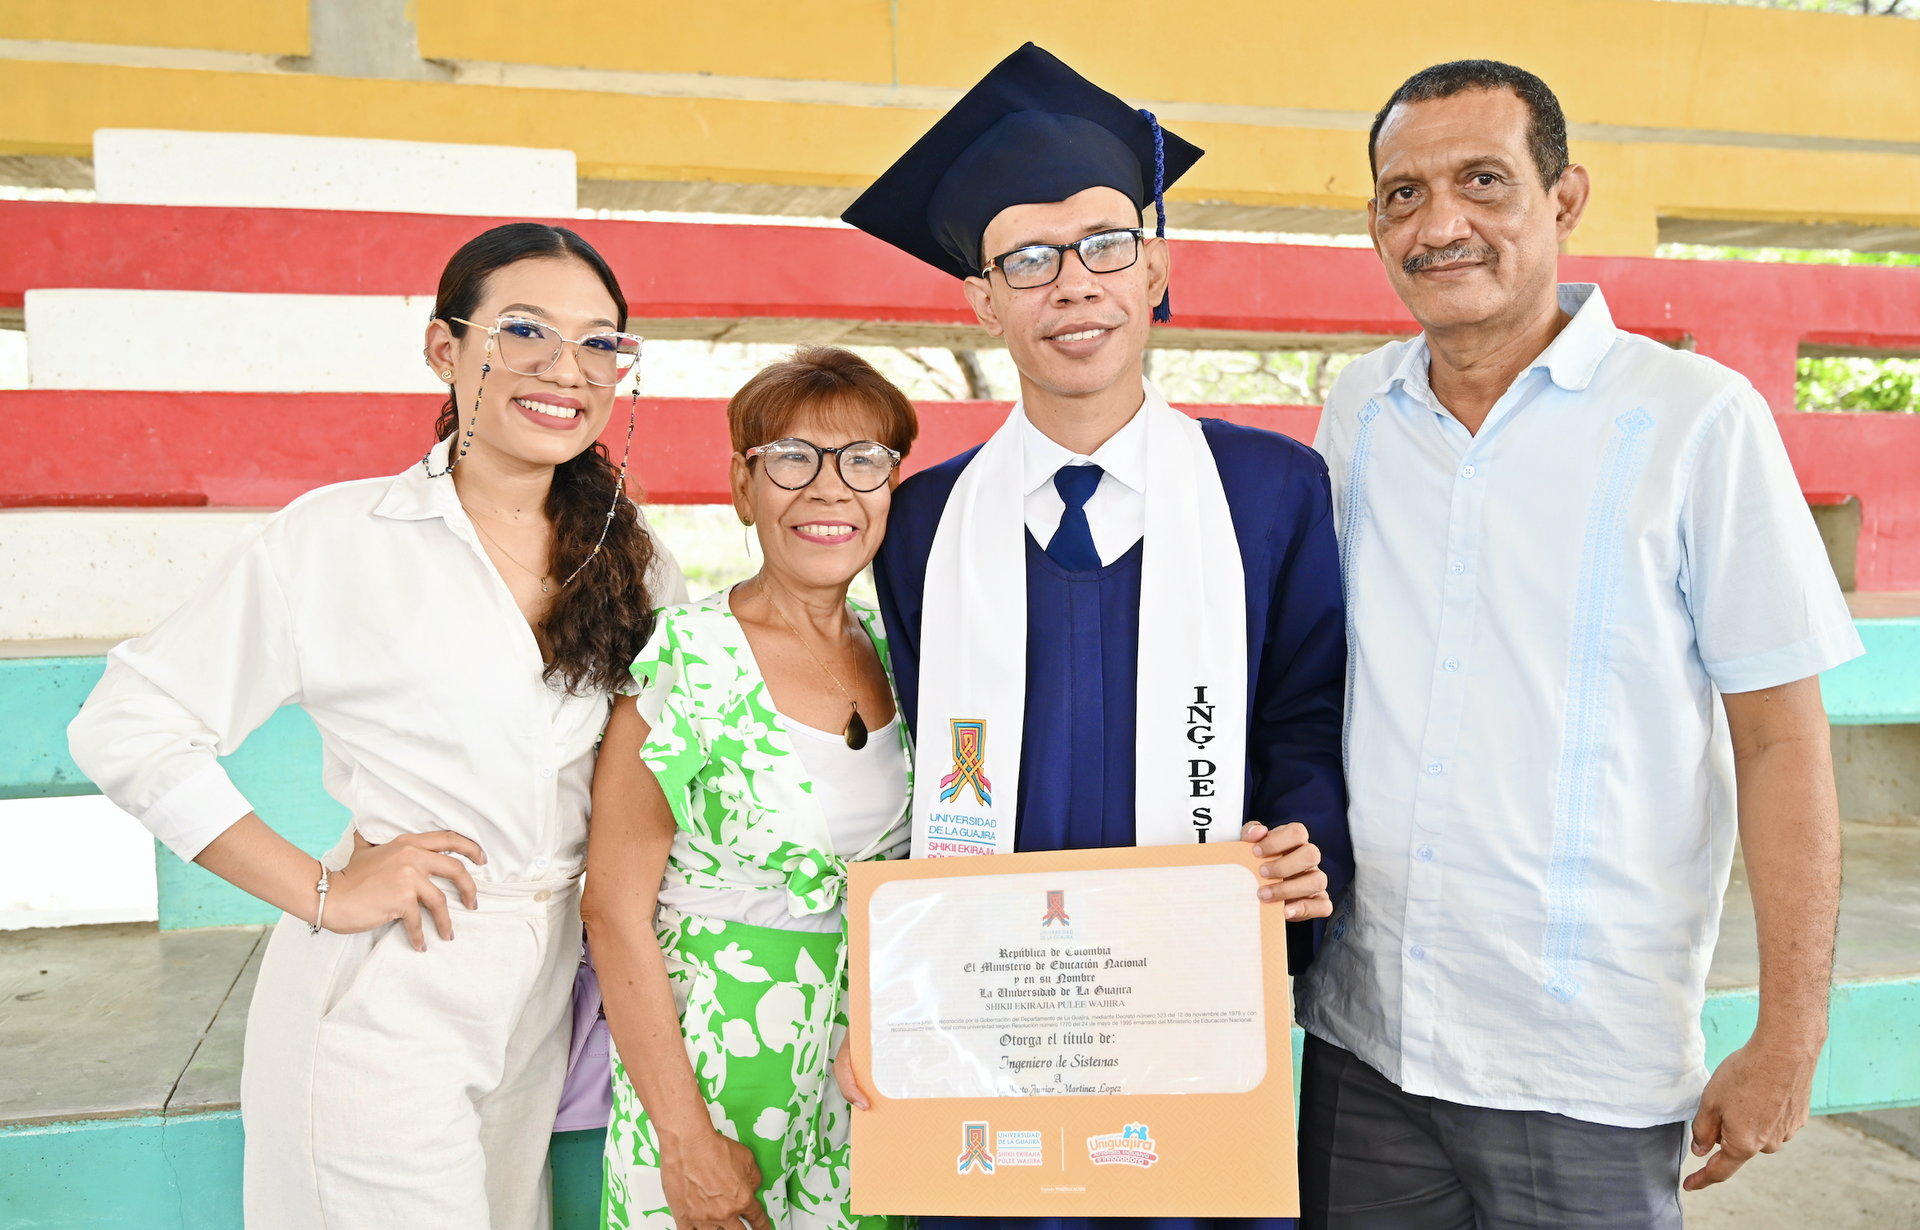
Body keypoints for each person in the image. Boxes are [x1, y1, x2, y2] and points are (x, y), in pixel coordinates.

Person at [1296, 60, 1862, 1229]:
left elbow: (1779, 740)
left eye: (1483, 181)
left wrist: (1790, 1033)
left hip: (1584, 1068)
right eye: (1404, 194)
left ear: (1564, 199)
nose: (1439, 222)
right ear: (1373, 225)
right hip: (1367, 1044)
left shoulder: (1696, 421)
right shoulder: (1359, 411)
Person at [67, 222, 687, 1229]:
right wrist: (324, 891)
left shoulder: (635, 565)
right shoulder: (337, 540)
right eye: (524, 329)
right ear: (445, 350)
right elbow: (127, 726)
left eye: (599, 342)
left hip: (538, 1003)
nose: (564, 368)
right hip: (387, 994)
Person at [843, 43, 1350, 1230]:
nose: (1072, 284)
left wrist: (1300, 842)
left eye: (1104, 245)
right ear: (981, 297)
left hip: (1193, 1002)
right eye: (1026, 259)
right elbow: (924, 761)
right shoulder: (922, 522)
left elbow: (1301, 719)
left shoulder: (1270, 493)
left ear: (1155, 266)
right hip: (992, 1022)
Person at [587, 347, 919, 1230]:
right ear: (744, 487)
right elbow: (613, 912)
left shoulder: (906, 658)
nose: (828, 489)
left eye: (863, 461)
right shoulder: (685, 660)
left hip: (867, 1087)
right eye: (790, 458)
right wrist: (684, 1137)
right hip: (715, 1077)